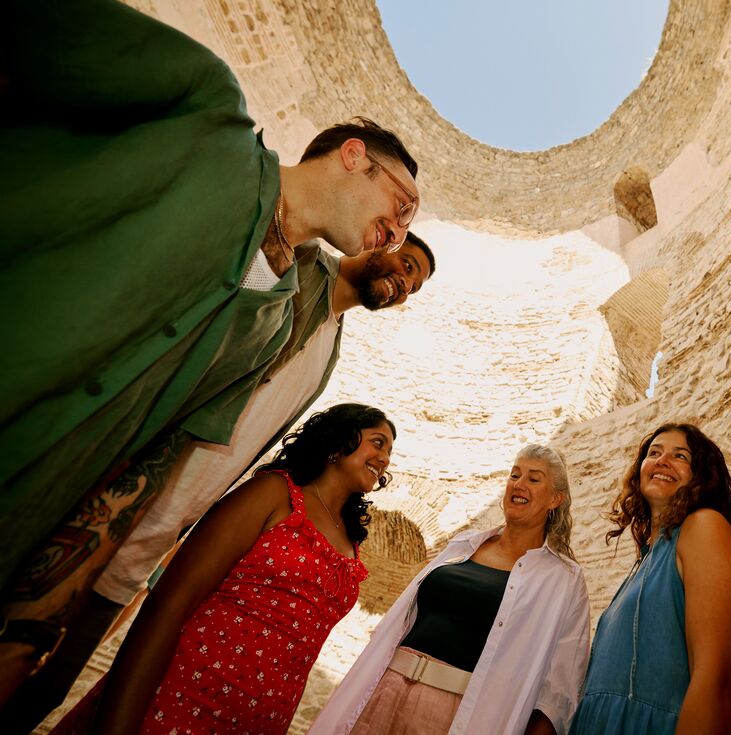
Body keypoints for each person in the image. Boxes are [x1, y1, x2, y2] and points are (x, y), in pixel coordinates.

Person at [0, 0, 421, 602]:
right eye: (401, 207)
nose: (398, 233)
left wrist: (39, 610)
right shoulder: (207, 110)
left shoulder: (273, 327)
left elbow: (155, 453)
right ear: (354, 155)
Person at [0, 235, 436, 730]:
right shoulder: (300, 267)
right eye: (407, 263)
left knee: (51, 681)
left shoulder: (330, 348)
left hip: (175, 517)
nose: (405, 283)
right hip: (134, 482)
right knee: (21, 644)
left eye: (414, 286)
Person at [89, 403, 395, 734]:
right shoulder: (273, 494)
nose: (385, 458)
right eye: (378, 442)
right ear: (338, 440)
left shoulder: (352, 542)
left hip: (260, 720)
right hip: (183, 696)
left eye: (390, 451)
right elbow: (170, 602)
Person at [310, 445, 590, 735]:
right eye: (514, 475)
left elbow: (560, 688)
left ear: (555, 499)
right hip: (386, 687)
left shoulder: (563, 579)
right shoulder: (463, 544)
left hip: (454, 713)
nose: (518, 484)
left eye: (534, 479)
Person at [570, 423, 731, 735]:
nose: (663, 461)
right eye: (654, 453)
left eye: (681, 456)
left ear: (702, 476)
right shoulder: (649, 558)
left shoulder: (705, 528)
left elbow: (719, 683)